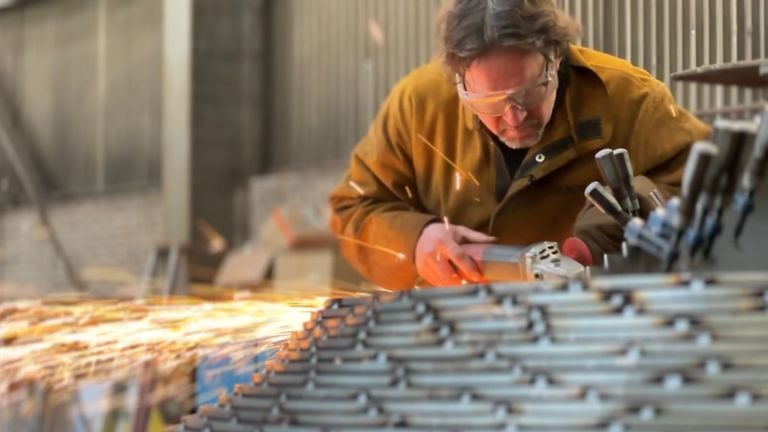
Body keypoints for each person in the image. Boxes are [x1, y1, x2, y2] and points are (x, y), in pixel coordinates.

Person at [329, 0, 710, 290]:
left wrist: (595, 239)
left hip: (593, 324)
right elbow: (353, 208)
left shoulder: (630, 98)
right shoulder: (417, 105)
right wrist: (416, 240)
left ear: (554, 58)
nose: (514, 118)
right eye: (490, 105)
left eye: (529, 94)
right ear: (459, 82)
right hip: (459, 330)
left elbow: (702, 189)